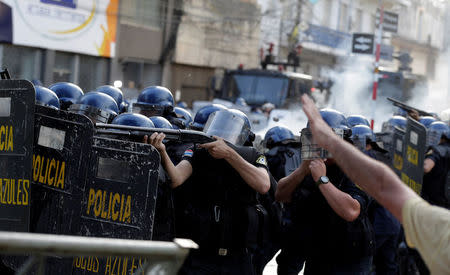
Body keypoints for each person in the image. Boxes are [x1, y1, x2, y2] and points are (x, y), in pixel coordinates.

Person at [300, 94, 450, 275]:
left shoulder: (442, 230)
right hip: (394, 224)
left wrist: (330, 146)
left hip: (376, 230)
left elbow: (381, 184)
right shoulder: (441, 227)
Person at [146, 109, 270, 274]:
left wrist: (229, 154)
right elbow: (176, 178)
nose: (220, 138)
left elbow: (263, 184)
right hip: (200, 255)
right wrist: (161, 151)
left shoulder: (252, 155)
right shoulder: (198, 152)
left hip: (237, 257)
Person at [276, 109, 374, 274]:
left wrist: (321, 179)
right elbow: (280, 195)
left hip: (349, 257)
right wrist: (302, 170)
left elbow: (351, 210)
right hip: (317, 252)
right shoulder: (311, 165)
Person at [351, 125, 401, 275]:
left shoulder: (367, 157)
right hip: (394, 221)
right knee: (388, 266)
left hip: (380, 221)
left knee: (364, 263)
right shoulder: (385, 156)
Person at [423, 121, 450, 209]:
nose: (431, 138)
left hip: (433, 204)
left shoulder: (437, 150)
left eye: (434, 135)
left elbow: (426, 167)